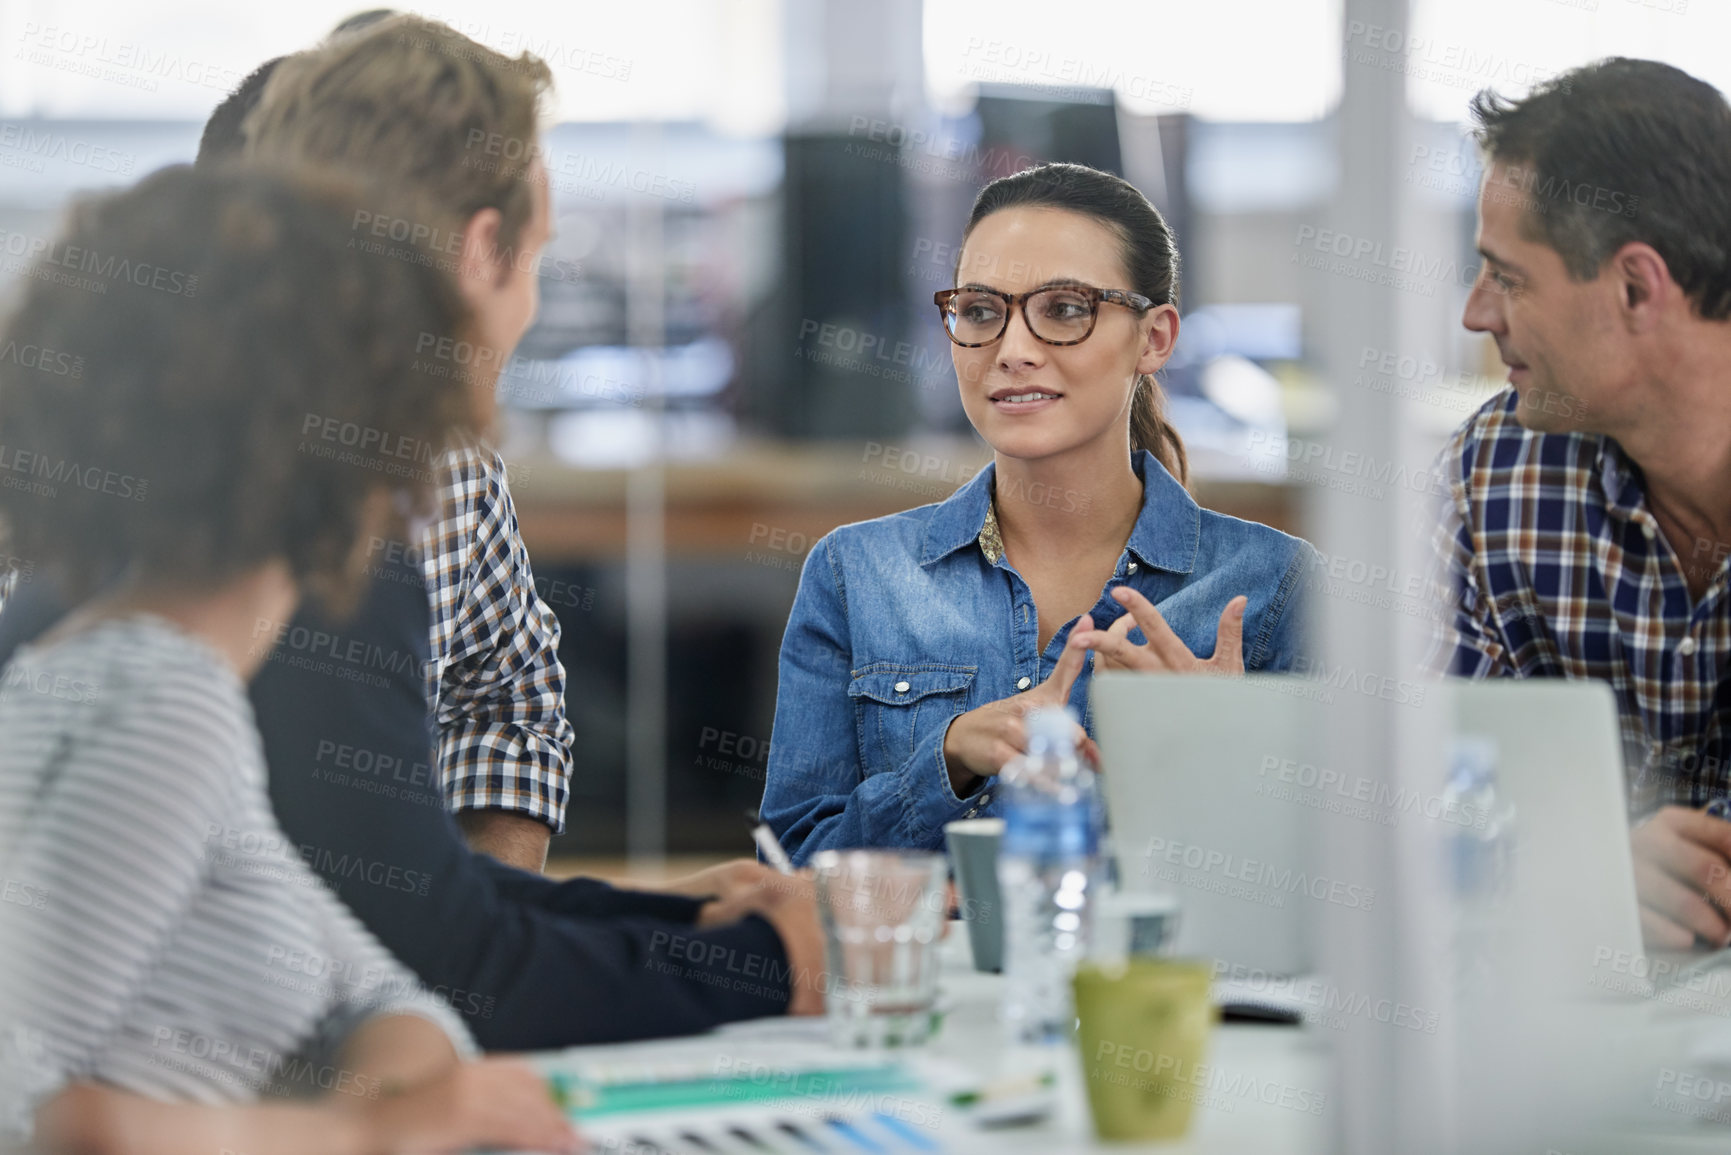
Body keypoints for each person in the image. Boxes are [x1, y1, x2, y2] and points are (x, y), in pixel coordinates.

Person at [0, 23, 825, 1049]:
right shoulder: (305, 555)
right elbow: (435, 961)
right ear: (484, 250)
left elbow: (388, 918)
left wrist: (684, 928)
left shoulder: (217, 507)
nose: (529, 306)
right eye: (536, 260)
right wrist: (768, 961)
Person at [0, 165, 577, 1154]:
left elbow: (390, 1000)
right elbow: (22, 1111)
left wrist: (379, 1101)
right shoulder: (159, 707)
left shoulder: (126, 676)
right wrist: (369, 1132)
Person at [760, 162, 1314, 864]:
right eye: (981, 312)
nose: (1013, 351)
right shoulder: (855, 571)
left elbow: (1333, 900)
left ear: (1154, 338)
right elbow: (786, 872)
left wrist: (1215, 752)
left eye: (1064, 309)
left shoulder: (1272, 584)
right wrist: (949, 761)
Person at [1426, 58, 1731, 951]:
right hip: (1568, 1033)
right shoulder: (1492, 474)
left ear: (1636, 288)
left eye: (1507, 277)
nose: (1475, 314)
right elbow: (1412, 789)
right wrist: (1575, 864)